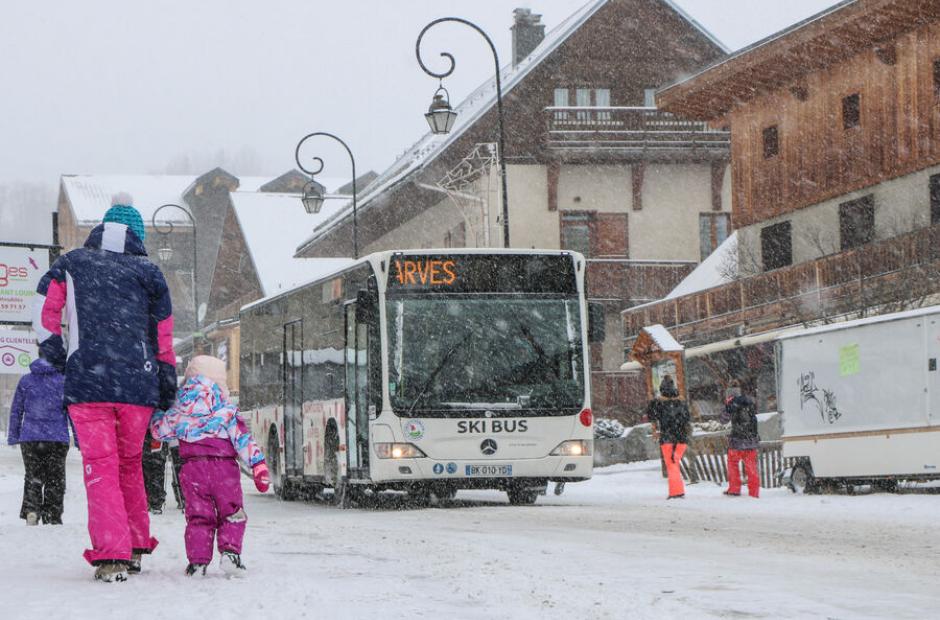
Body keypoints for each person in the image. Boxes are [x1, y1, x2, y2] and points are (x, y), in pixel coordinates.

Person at [34, 194, 177, 583]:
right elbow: (164, 336)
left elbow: (43, 310)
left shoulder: (71, 264)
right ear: (138, 236)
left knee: (100, 466)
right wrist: (166, 383)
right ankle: (135, 543)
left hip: (89, 382)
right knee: (130, 465)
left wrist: (57, 354)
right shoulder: (150, 273)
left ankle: (112, 554)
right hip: (137, 386)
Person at [150, 355, 269, 577]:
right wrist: (258, 465)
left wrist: (157, 414)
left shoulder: (179, 411)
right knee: (231, 511)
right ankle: (230, 553)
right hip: (224, 470)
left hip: (192, 470)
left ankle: (197, 562)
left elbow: (159, 431)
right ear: (220, 383)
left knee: (198, 515)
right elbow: (243, 440)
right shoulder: (226, 411)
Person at [7, 354, 73, 525]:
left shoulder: (26, 381)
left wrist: (14, 435)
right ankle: (52, 515)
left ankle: (32, 510)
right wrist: (80, 439)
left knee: (32, 476)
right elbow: (73, 412)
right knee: (55, 478)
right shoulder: (64, 382)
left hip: (30, 437)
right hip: (57, 438)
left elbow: (16, 410)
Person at [645, 375, 691, 499]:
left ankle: (676, 492)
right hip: (682, 438)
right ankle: (677, 490)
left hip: (667, 438)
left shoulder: (657, 403)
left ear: (661, 389)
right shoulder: (681, 402)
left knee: (671, 464)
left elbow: (652, 417)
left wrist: (655, 431)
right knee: (674, 463)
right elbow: (687, 419)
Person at [721, 380, 761, 498]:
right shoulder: (749, 401)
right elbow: (754, 419)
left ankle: (734, 489)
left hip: (737, 441)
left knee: (733, 464)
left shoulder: (731, 403)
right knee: (751, 468)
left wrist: (727, 406)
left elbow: (723, 420)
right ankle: (754, 492)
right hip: (751, 440)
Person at [142, 429, 168, 514]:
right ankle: (154, 501)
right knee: (155, 468)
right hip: (156, 432)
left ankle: (152, 501)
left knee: (149, 467)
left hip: (150, 433)